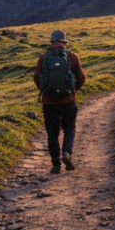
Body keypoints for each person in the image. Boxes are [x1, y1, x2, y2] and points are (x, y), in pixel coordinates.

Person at [33, 29, 86, 174]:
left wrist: (46, 91)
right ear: (64, 42)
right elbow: (81, 78)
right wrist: (72, 91)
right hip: (68, 101)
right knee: (69, 127)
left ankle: (56, 164)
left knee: (52, 133)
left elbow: (37, 78)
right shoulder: (72, 56)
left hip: (49, 102)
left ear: (51, 42)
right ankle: (66, 154)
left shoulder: (43, 57)